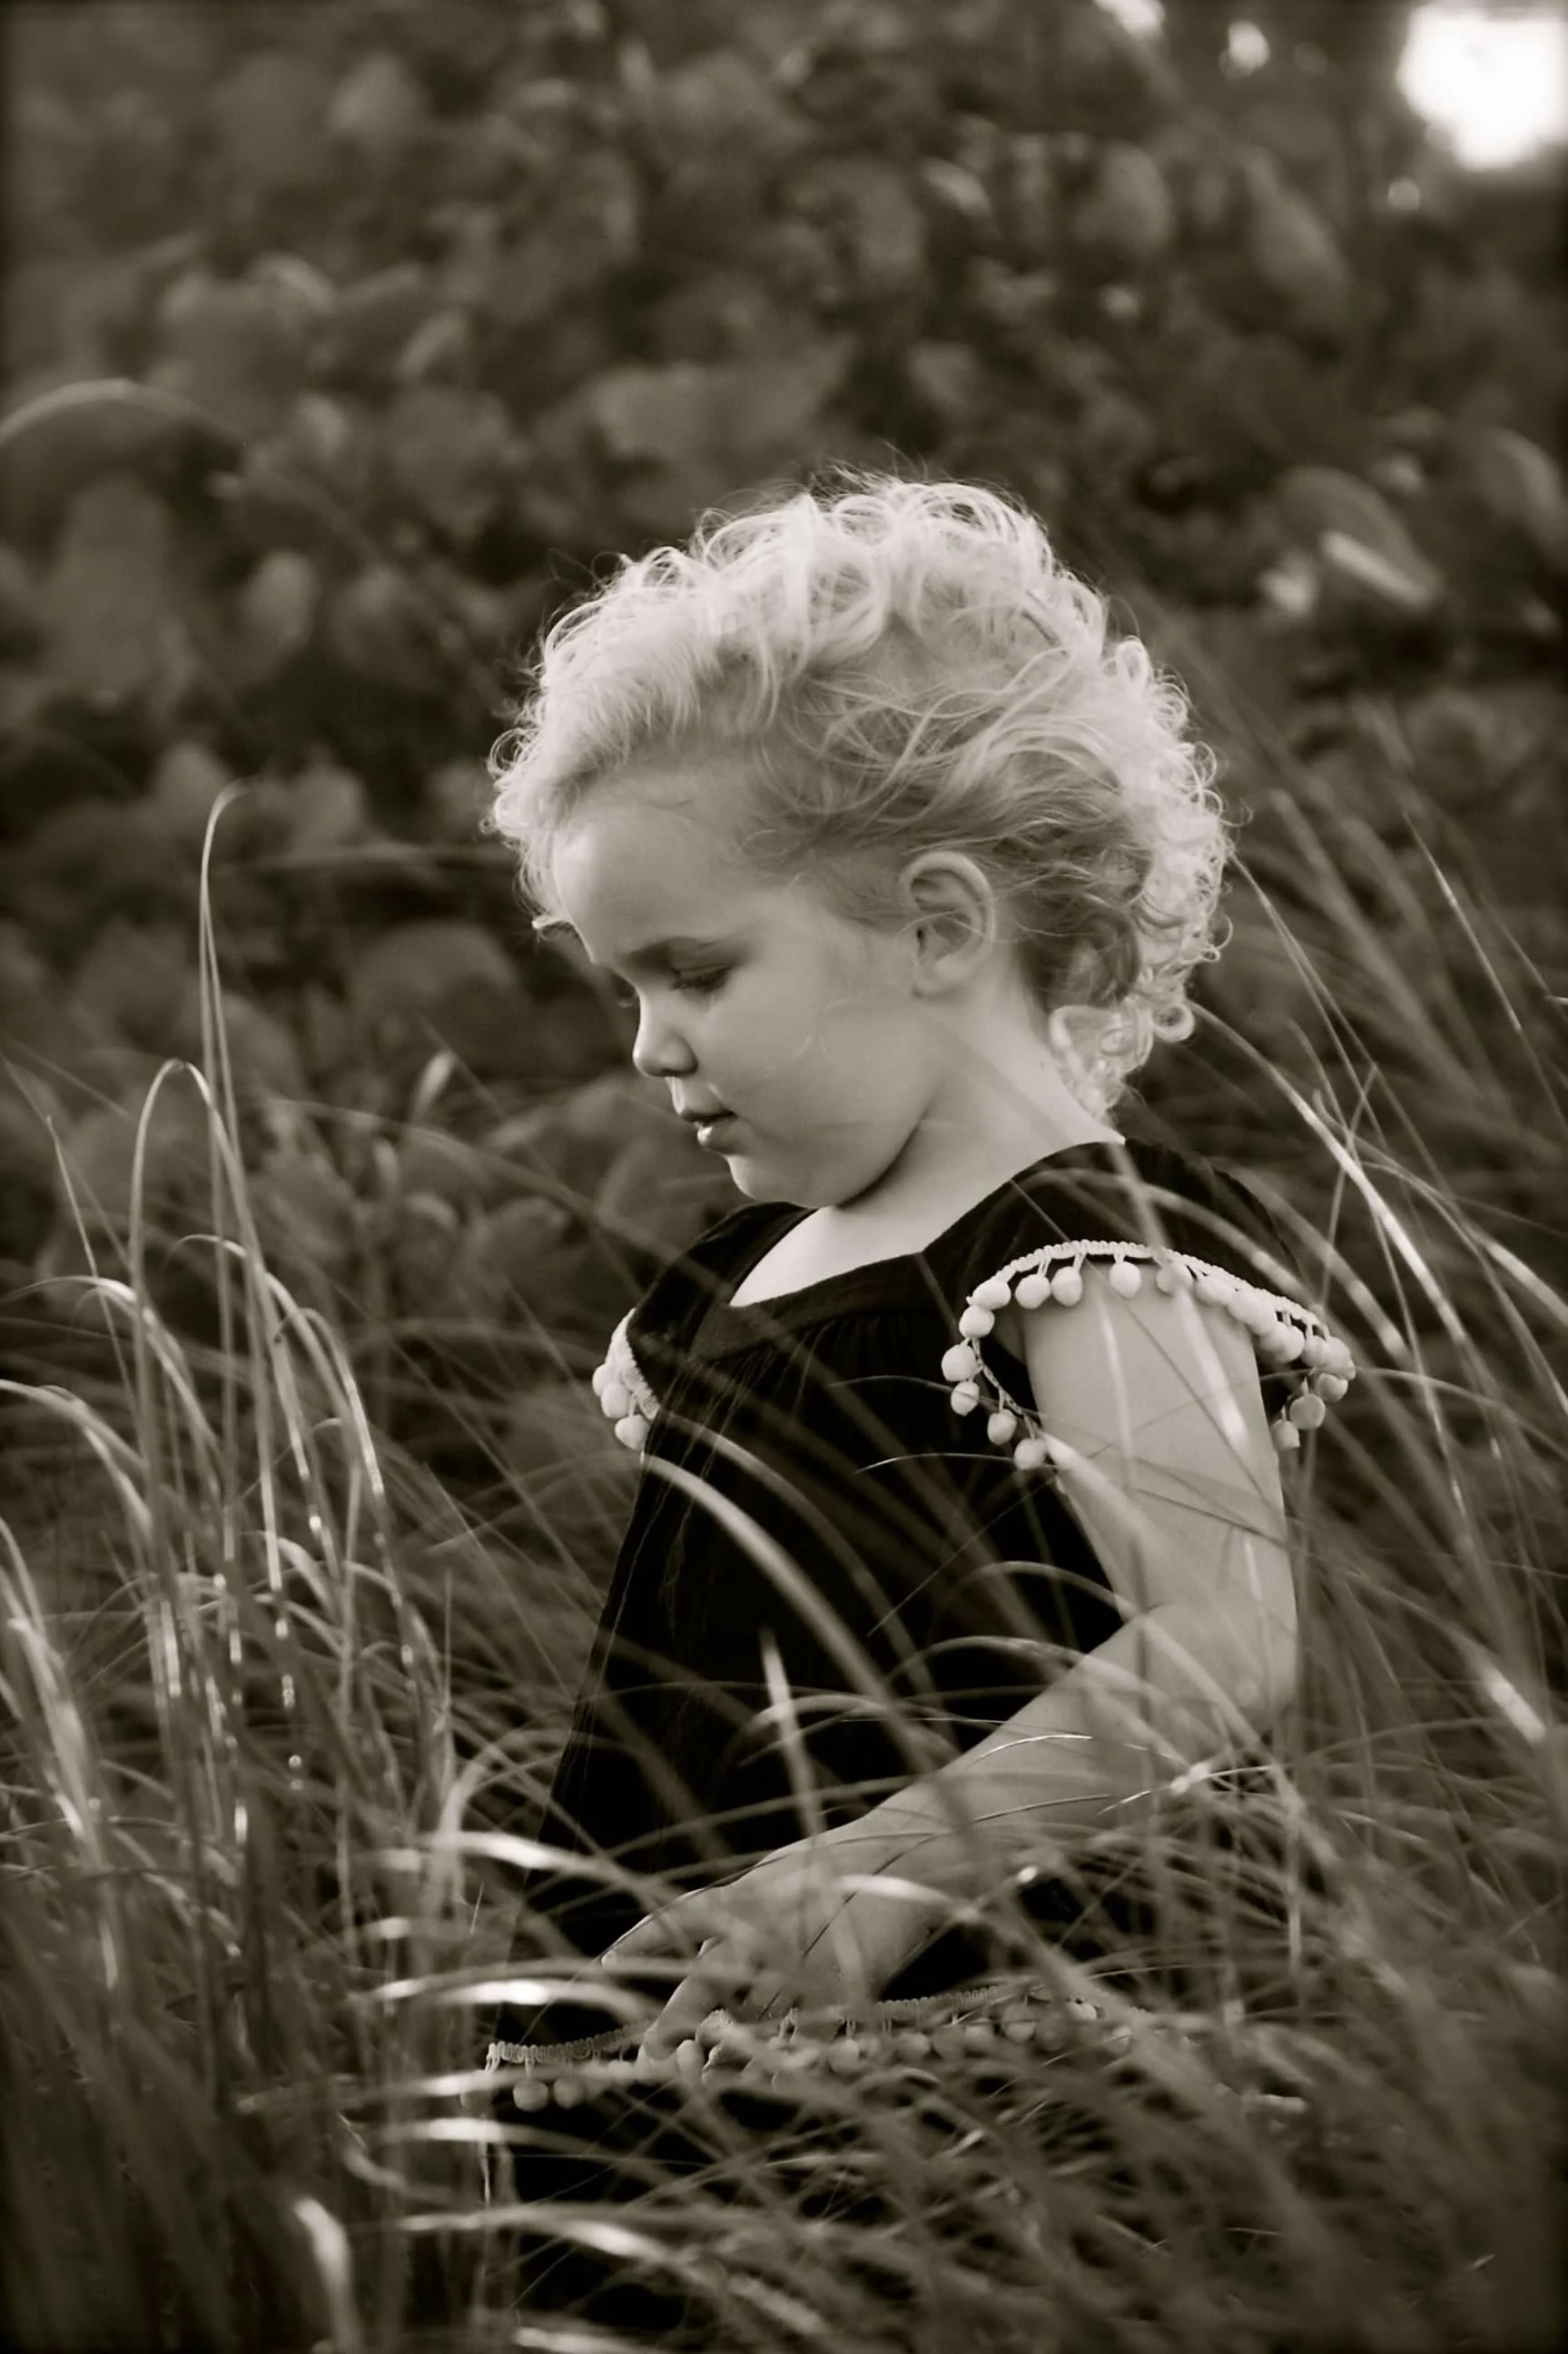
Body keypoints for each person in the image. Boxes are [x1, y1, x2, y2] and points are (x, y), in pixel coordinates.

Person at [474, 471, 1354, 2341]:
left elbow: (1222, 1631)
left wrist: (880, 1871)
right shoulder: (751, 1271)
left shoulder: (1076, 1249)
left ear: (937, 921)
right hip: (708, 2056)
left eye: (693, 970)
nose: (645, 1045)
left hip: (970, 2063)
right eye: (617, 985)